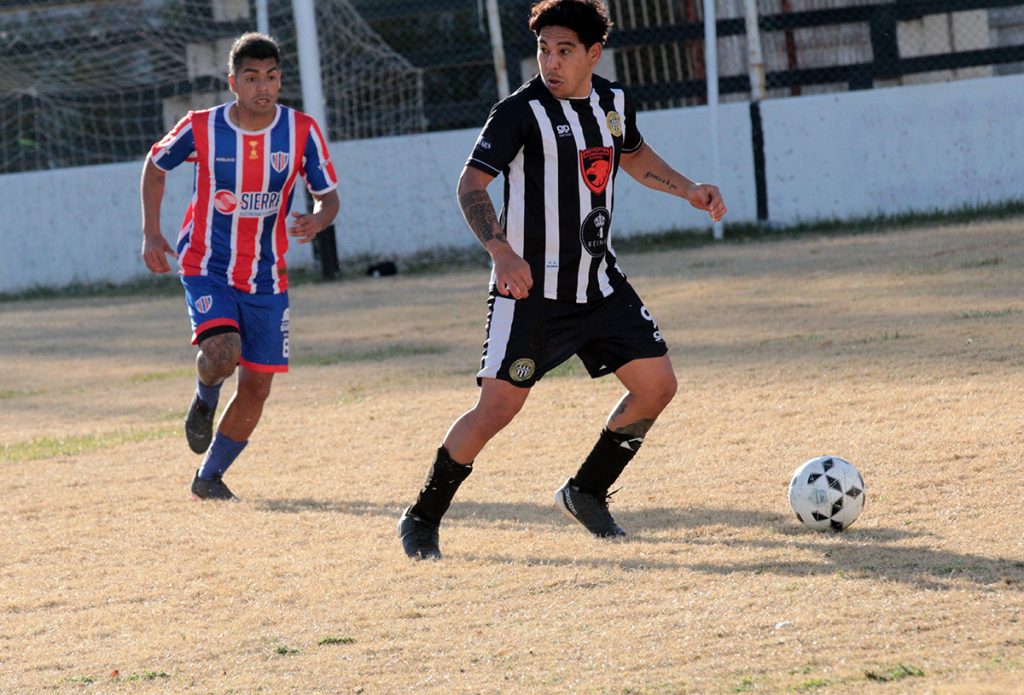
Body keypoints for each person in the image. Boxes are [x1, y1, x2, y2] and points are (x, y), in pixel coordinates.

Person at [397, 0, 726, 559]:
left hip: (600, 283)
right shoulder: (518, 112)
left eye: (565, 51)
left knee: (657, 386)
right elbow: (471, 185)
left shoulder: (613, 102)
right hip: (531, 293)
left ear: (593, 54)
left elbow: (632, 154)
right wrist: (501, 251)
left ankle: (585, 492)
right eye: (544, 49)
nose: (551, 62)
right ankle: (422, 517)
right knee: (496, 411)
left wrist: (688, 189)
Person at [140, 32, 340, 501]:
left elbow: (328, 196)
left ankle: (208, 478)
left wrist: (318, 219)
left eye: (270, 77)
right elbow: (155, 164)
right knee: (224, 351)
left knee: (257, 386)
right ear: (233, 82)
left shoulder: (301, 131)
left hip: (266, 276)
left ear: (280, 80)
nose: (262, 87)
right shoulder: (202, 127)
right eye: (251, 78)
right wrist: (151, 232)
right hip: (206, 264)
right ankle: (205, 395)